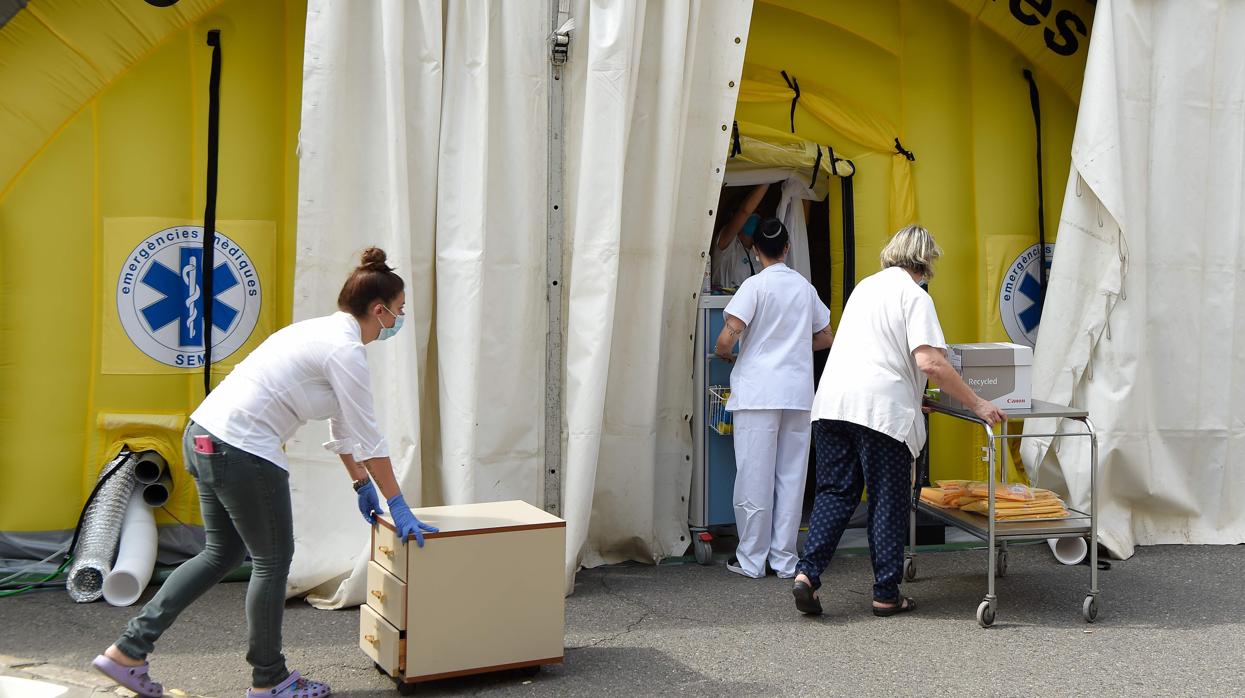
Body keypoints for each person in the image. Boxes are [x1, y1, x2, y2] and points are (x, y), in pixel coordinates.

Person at [92, 248, 438, 698]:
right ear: (380, 309)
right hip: (242, 450)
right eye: (401, 311)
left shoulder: (318, 333)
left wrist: (358, 482)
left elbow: (344, 423)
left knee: (220, 554)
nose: (400, 319)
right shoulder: (346, 350)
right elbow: (371, 440)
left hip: (203, 436)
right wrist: (397, 503)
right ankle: (270, 680)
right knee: (273, 561)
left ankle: (128, 650)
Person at [791, 225, 1005, 616]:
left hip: (832, 406)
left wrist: (913, 393)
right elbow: (929, 362)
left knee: (835, 494)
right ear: (924, 264)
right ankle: (885, 594)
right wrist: (977, 403)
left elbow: (873, 352)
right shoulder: (914, 296)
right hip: (881, 416)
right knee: (887, 502)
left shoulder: (864, 289)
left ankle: (807, 574)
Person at [714, 218, 834, 578]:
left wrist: (729, 354)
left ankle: (751, 559)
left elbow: (726, 339)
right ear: (786, 248)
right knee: (791, 476)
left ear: (755, 250)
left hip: (757, 392)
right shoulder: (804, 287)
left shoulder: (753, 287)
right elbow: (826, 336)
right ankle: (785, 560)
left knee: (754, 475)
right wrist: (795, 346)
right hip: (797, 393)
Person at [710, 183, 775, 291]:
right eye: (752, 213)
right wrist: (769, 180)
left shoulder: (760, 250)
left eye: (758, 212)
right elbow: (744, 211)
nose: (754, 216)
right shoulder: (725, 243)